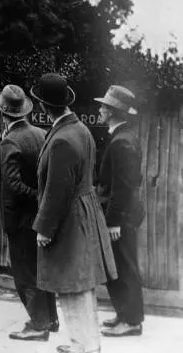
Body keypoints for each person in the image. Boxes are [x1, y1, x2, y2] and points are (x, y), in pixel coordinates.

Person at [30, 73, 117, 353]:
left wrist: (44, 228)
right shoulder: (79, 129)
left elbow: (57, 191)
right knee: (81, 284)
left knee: (71, 286)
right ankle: (86, 342)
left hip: (69, 219)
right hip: (83, 213)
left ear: (43, 106)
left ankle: (85, 347)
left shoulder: (62, 139)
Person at [0, 85, 58, 341]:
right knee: (41, 270)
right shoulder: (42, 134)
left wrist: (36, 197)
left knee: (24, 275)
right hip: (41, 218)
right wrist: (43, 200)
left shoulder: (10, 141)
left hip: (20, 220)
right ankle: (50, 319)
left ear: (3, 114)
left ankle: (38, 324)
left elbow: (14, 185)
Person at [94, 86, 145, 337]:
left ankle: (132, 321)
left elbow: (123, 188)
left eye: (104, 107)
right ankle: (124, 314)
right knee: (118, 265)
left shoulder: (122, 141)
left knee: (125, 267)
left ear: (113, 111)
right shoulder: (122, 137)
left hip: (121, 217)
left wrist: (113, 221)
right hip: (122, 214)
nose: (100, 110)